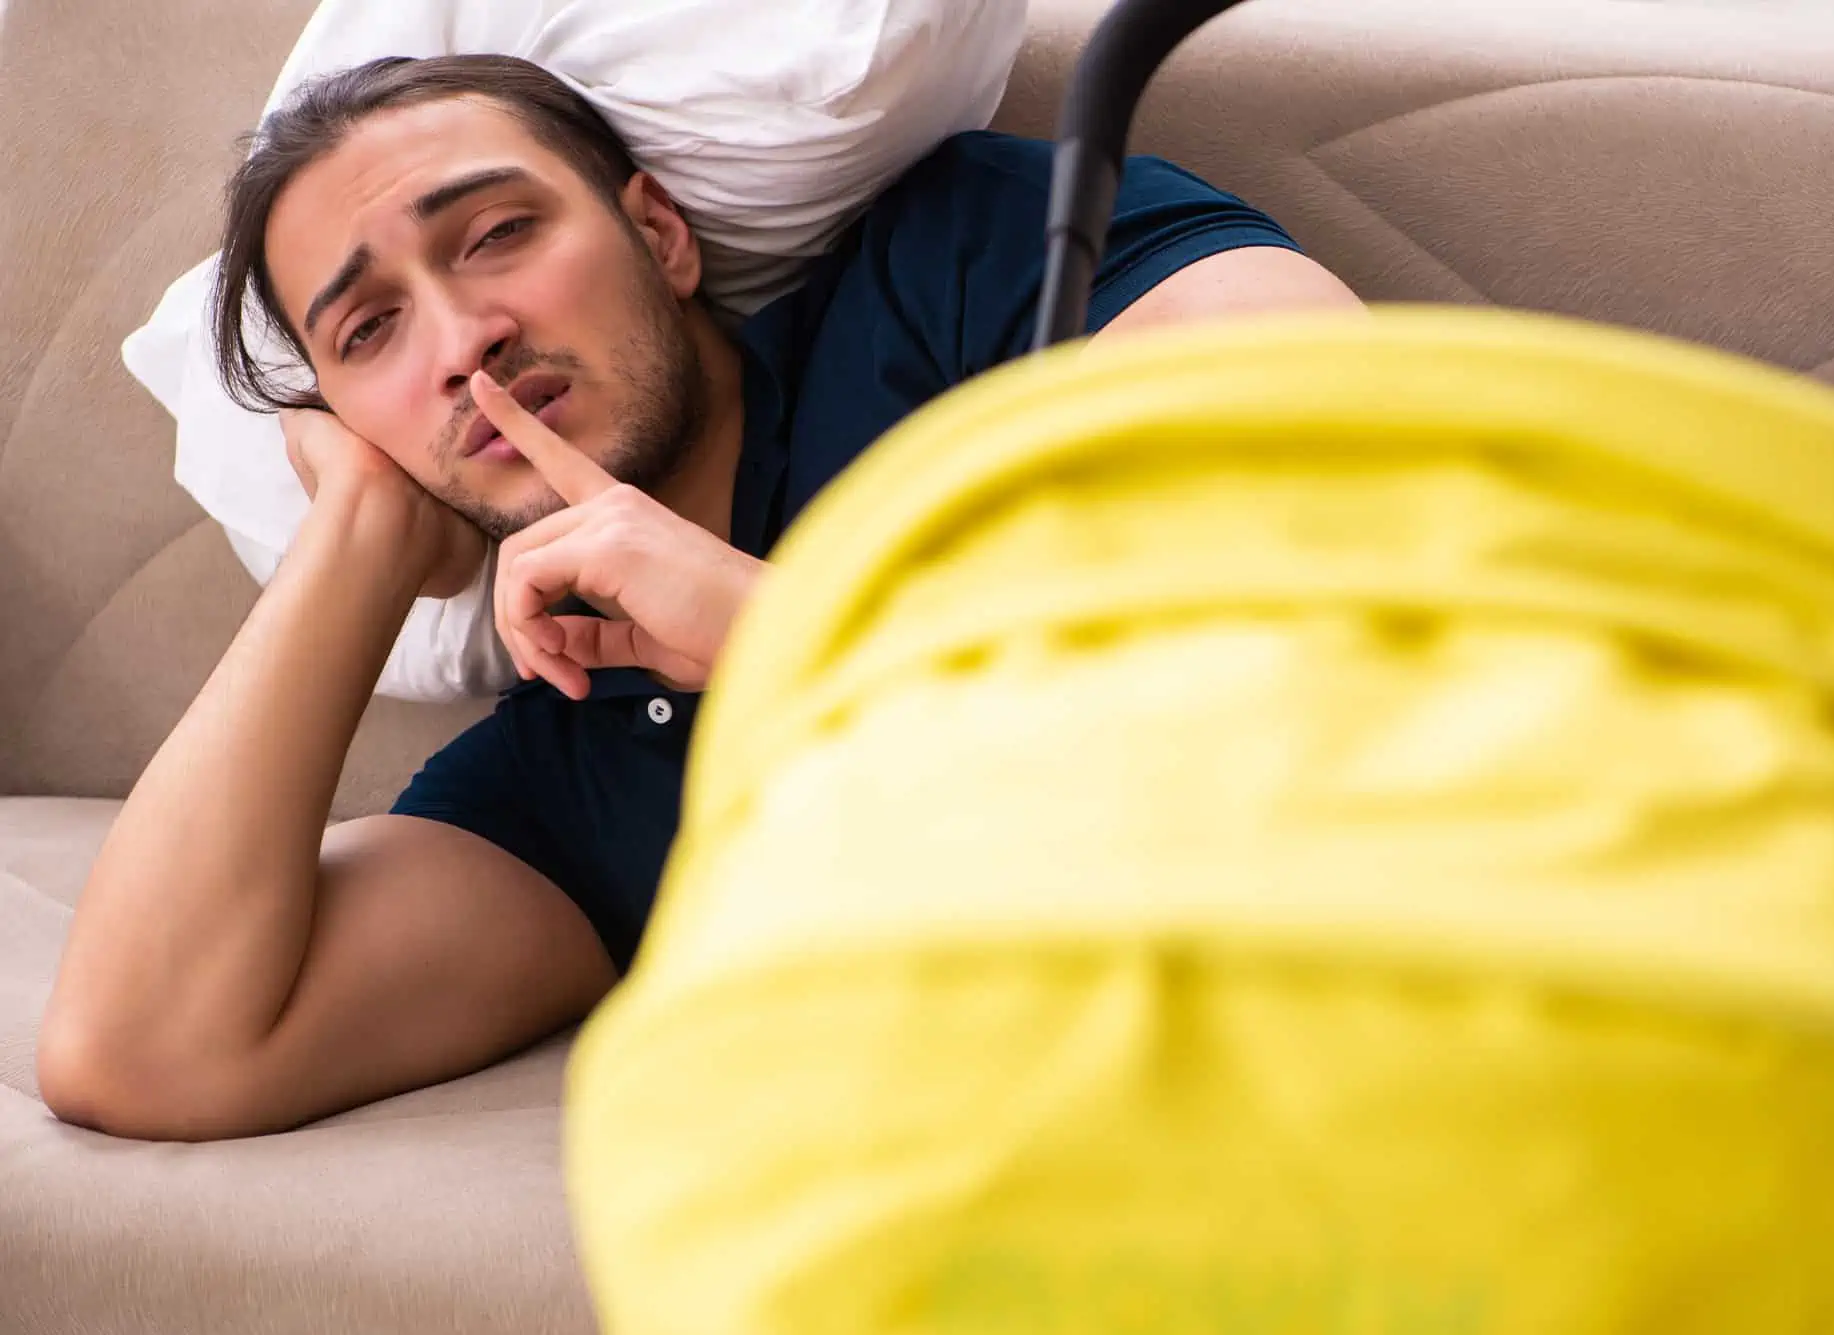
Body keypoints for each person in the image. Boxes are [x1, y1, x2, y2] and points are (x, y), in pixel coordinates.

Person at [35, 54, 1363, 1141]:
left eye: (497, 235)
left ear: (659, 233)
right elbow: (140, 1051)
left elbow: (1355, 524)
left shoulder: (962, 259)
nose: (462, 341)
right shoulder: (569, 772)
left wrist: (782, 628)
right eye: (368, 331)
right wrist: (361, 535)